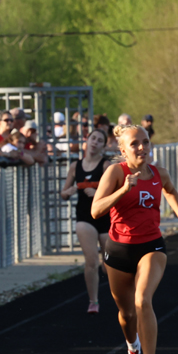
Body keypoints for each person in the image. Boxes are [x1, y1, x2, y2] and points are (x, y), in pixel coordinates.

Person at [91, 124, 178, 354]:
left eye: (145, 142)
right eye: (135, 144)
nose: (142, 148)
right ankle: (132, 344)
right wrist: (123, 190)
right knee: (126, 314)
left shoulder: (159, 173)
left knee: (142, 300)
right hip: (118, 249)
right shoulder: (115, 172)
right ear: (122, 149)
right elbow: (96, 211)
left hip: (152, 246)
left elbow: (170, 191)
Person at [59, 129, 112, 313]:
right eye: (93, 139)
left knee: (108, 265)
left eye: (99, 140)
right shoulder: (76, 166)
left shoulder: (106, 166)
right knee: (91, 260)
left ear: (103, 146)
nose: (95, 142)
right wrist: (69, 191)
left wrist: (98, 193)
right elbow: (64, 193)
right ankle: (93, 301)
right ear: (86, 141)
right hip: (84, 217)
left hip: (105, 218)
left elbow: (116, 192)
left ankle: (122, 295)